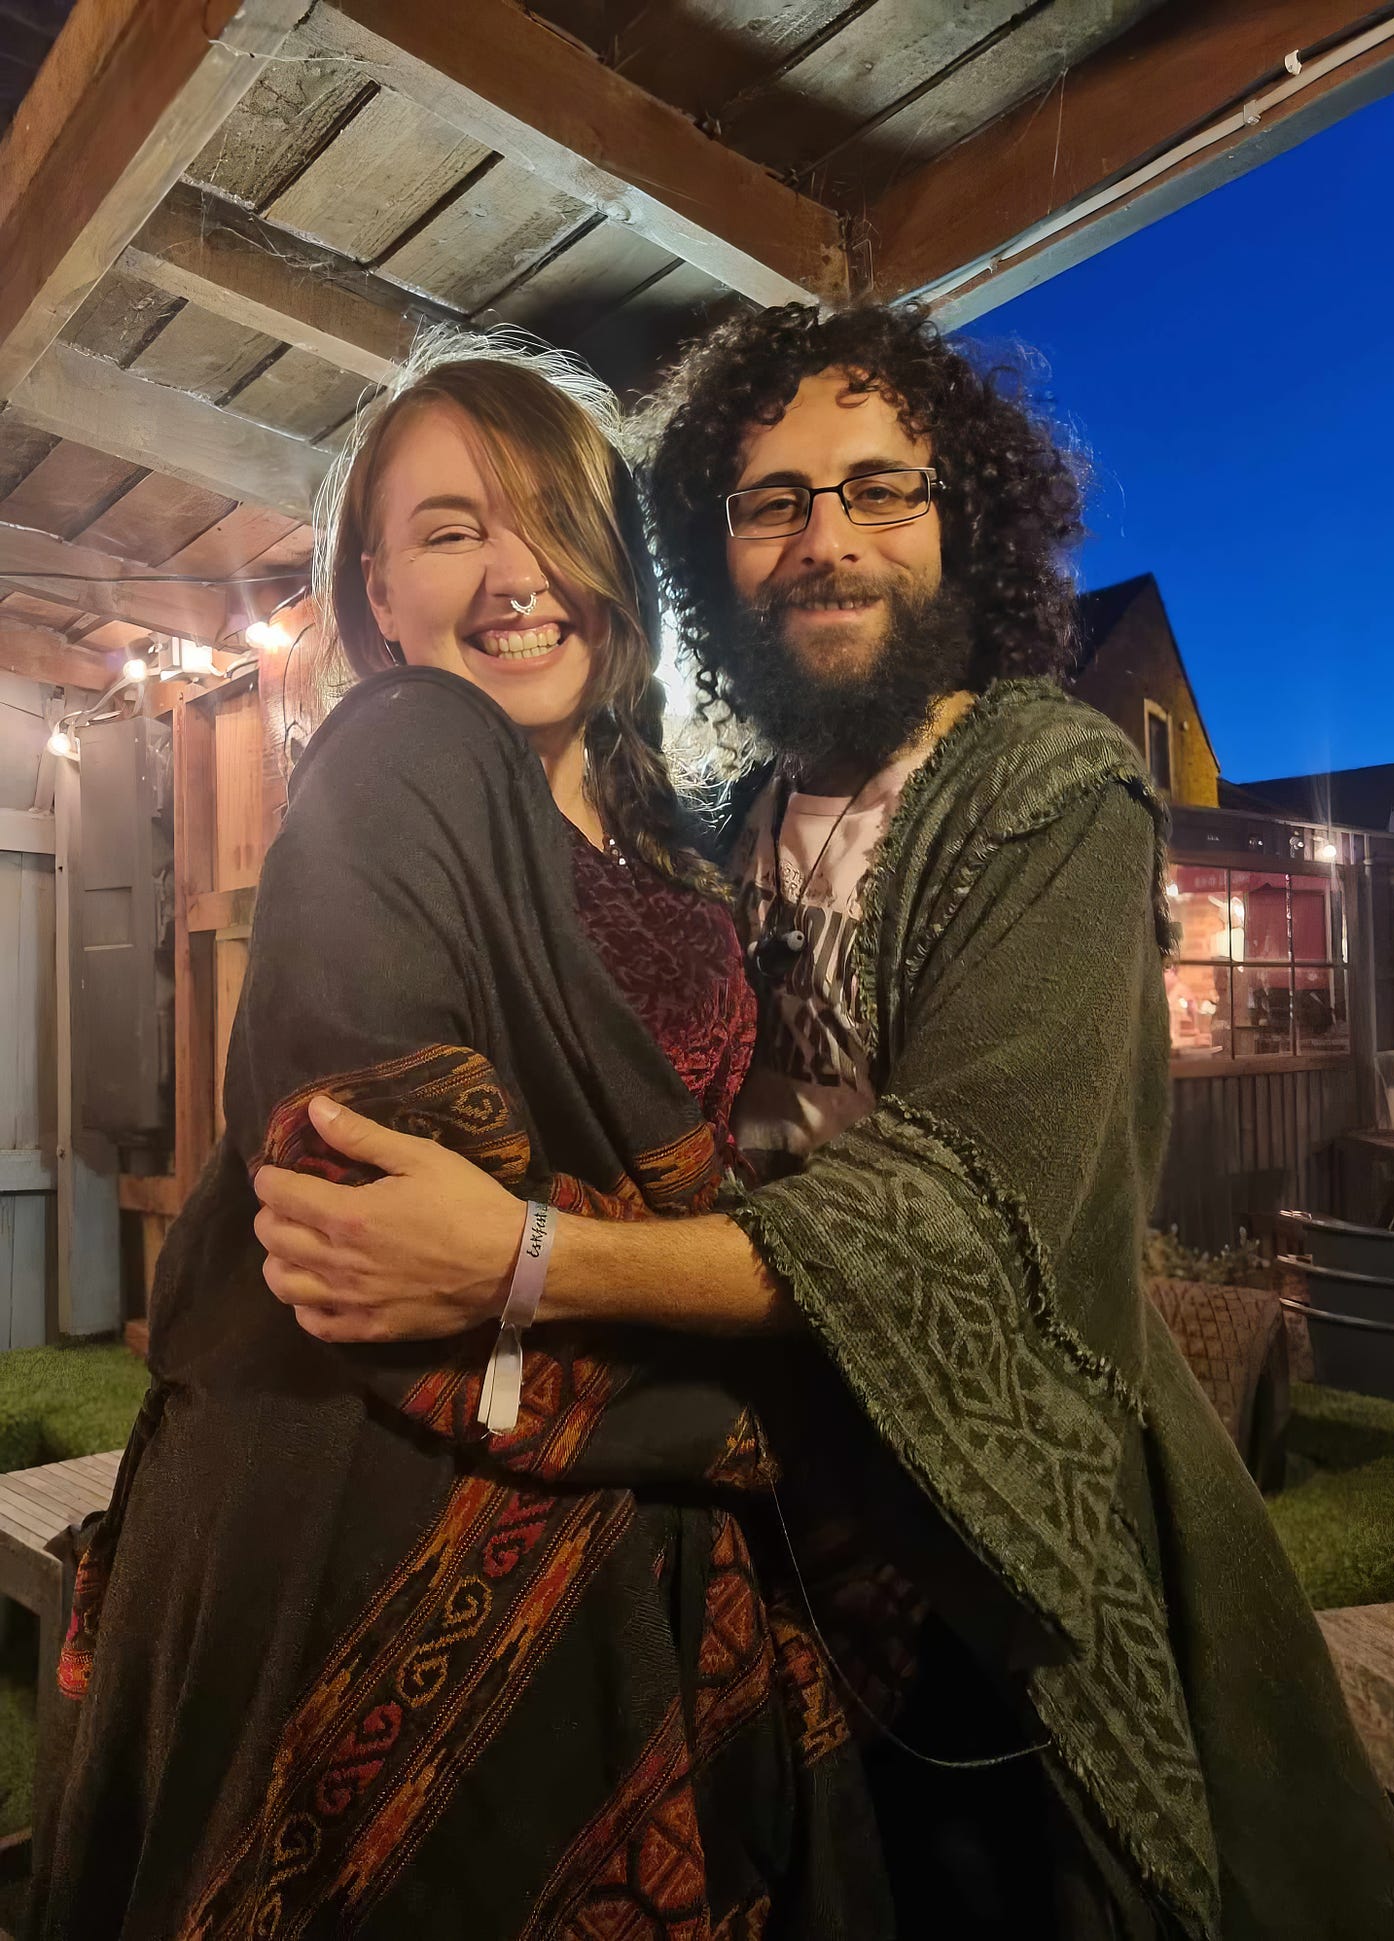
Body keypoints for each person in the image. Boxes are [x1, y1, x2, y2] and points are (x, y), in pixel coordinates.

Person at [256, 305, 1394, 1940]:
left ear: (967, 524)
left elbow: (963, 1215)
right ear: (711, 548)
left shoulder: (1047, 789)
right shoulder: (718, 828)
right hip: (762, 1560)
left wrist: (523, 1258)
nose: (828, 541)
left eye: (883, 490)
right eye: (774, 501)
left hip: (1001, 1553)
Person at [28, 334, 899, 1937]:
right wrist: (728, 1374)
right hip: (359, 1497)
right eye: (447, 531)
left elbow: (665, 1169)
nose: (513, 575)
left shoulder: (697, 859)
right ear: (369, 591)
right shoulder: (395, 765)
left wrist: (583, 1266)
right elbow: (358, 1171)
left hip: (623, 1534)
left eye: (547, 520)